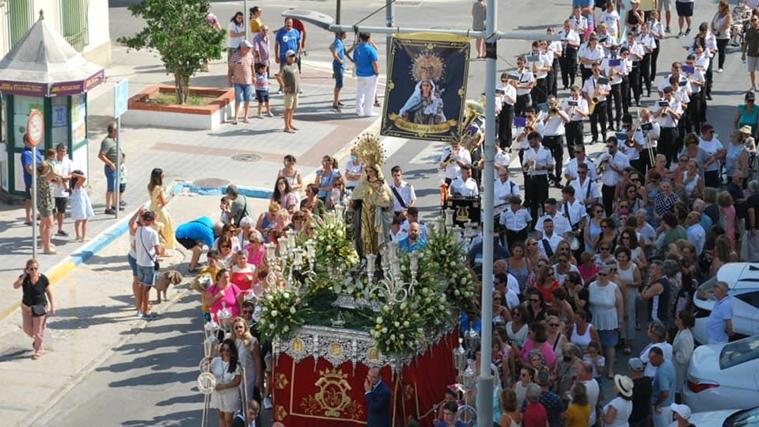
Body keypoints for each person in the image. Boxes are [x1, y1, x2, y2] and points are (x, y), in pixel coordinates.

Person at [14, 259, 54, 360]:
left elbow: (49, 293)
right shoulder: (24, 278)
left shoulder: (43, 278)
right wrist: (23, 276)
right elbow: (15, 286)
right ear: (27, 269)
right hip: (26, 307)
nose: (34, 271)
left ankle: (39, 349)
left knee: (37, 331)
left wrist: (53, 306)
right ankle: (37, 340)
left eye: (35, 268)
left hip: (40, 307)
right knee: (27, 329)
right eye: (31, 269)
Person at [351, 165, 393, 257]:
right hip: (364, 214)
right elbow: (355, 197)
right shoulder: (363, 183)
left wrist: (378, 192)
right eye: (367, 171)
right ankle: (366, 257)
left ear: (376, 172)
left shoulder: (381, 184)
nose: (369, 174)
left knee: (377, 237)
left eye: (371, 171)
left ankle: (378, 259)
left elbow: (387, 201)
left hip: (377, 214)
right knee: (364, 236)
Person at [212, 338, 242, 427]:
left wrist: (224, 386)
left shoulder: (236, 365)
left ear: (232, 351)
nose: (225, 352)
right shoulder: (215, 361)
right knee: (221, 415)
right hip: (218, 393)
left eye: (228, 350)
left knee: (228, 420)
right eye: (223, 349)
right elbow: (209, 374)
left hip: (230, 395)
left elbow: (237, 381)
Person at [98, 123, 125, 214]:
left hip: (118, 167)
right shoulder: (107, 141)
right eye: (116, 130)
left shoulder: (115, 139)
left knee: (116, 187)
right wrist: (110, 164)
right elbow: (101, 155)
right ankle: (108, 207)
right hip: (111, 169)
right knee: (111, 188)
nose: (118, 132)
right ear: (112, 131)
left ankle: (114, 204)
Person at [352, 32, 380, 117]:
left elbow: (355, 60)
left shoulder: (357, 49)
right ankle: (368, 111)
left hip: (360, 73)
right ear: (368, 39)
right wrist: (377, 72)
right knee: (370, 93)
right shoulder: (370, 49)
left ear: (360, 38)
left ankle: (358, 110)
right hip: (370, 74)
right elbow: (374, 63)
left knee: (359, 92)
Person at [148, 168, 176, 252]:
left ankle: (156, 248)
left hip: (152, 208)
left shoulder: (150, 186)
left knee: (156, 230)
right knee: (164, 231)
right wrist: (171, 196)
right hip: (160, 211)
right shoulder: (159, 188)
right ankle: (162, 250)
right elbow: (164, 202)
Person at [649, 346, 676, 427]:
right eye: (649, 358)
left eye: (652, 358)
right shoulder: (668, 363)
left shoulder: (662, 372)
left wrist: (657, 404)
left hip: (661, 408)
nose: (650, 361)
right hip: (670, 405)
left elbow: (665, 393)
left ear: (659, 357)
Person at [51, 143, 73, 237]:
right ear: (57, 151)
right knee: (51, 212)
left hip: (63, 192)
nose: (63, 152)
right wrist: (56, 179)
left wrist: (66, 177)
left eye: (64, 150)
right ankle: (50, 230)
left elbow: (72, 174)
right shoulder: (52, 162)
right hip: (52, 191)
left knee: (61, 211)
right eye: (61, 150)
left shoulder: (68, 162)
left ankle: (60, 229)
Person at [672, 310, 694, 399]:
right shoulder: (681, 332)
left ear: (681, 321)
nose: (675, 319)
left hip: (680, 368)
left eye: (677, 318)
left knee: (677, 387)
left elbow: (684, 358)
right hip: (677, 366)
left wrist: (675, 353)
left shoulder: (684, 338)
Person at [274, 18, 300, 92]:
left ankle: (296, 86)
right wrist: (276, 56)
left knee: (294, 72)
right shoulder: (280, 32)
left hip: (293, 56)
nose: (289, 24)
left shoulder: (295, 32)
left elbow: (298, 43)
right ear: (284, 23)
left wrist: (298, 52)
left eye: (290, 23)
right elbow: (276, 44)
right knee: (283, 72)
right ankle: (281, 87)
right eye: (287, 23)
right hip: (283, 56)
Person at [36, 161, 56, 254]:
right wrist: (51, 165)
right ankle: (46, 248)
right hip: (45, 204)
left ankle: (44, 243)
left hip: (41, 203)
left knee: (43, 224)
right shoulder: (44, 177)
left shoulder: (39, 177)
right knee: (49, 225)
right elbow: (54, 174)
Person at [68, 170, 94, 242]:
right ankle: (83, 237)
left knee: (78, 220)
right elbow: (84, 178)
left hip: (78, 203)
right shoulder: (78, 184)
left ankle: (77, 235)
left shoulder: (73, 184)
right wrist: (76, 175)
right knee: (85, 220)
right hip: (80, 203)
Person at [628, 357, 653, 427]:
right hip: (645, 415)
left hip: (633, 419)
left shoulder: (630, 386)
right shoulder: (648, 381)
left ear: (631, 369)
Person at [281, 50, 300, 133]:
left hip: (296, 90)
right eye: (291, 56)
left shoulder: (295, 65)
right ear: (287, 57)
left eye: (293, 56)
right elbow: (278, 77)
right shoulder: (285, 67)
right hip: (289, 92)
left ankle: (290, 123)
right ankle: (286, 127)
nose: (293, 57)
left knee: (292, 109)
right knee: (288, 109)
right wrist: (284, 86)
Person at [330, 31, 347, 110]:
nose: (346, 35)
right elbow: (335, 53)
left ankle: (337, 100)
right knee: (339, 84)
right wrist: (340, 60)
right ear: (341, 34)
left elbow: (330, 47)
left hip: (338, 66)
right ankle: (335, 102)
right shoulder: (339, 43)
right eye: (345, 33)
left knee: (339, 83)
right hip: (338, 66)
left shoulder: (338, 41)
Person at [744, 13, 759, 92]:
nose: (754, 21)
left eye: (755, 19)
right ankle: (753, 85)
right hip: (751, 54)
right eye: (752, 20)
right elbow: (746, 42)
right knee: (752, 71)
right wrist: (743, 54)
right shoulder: (749, 31)